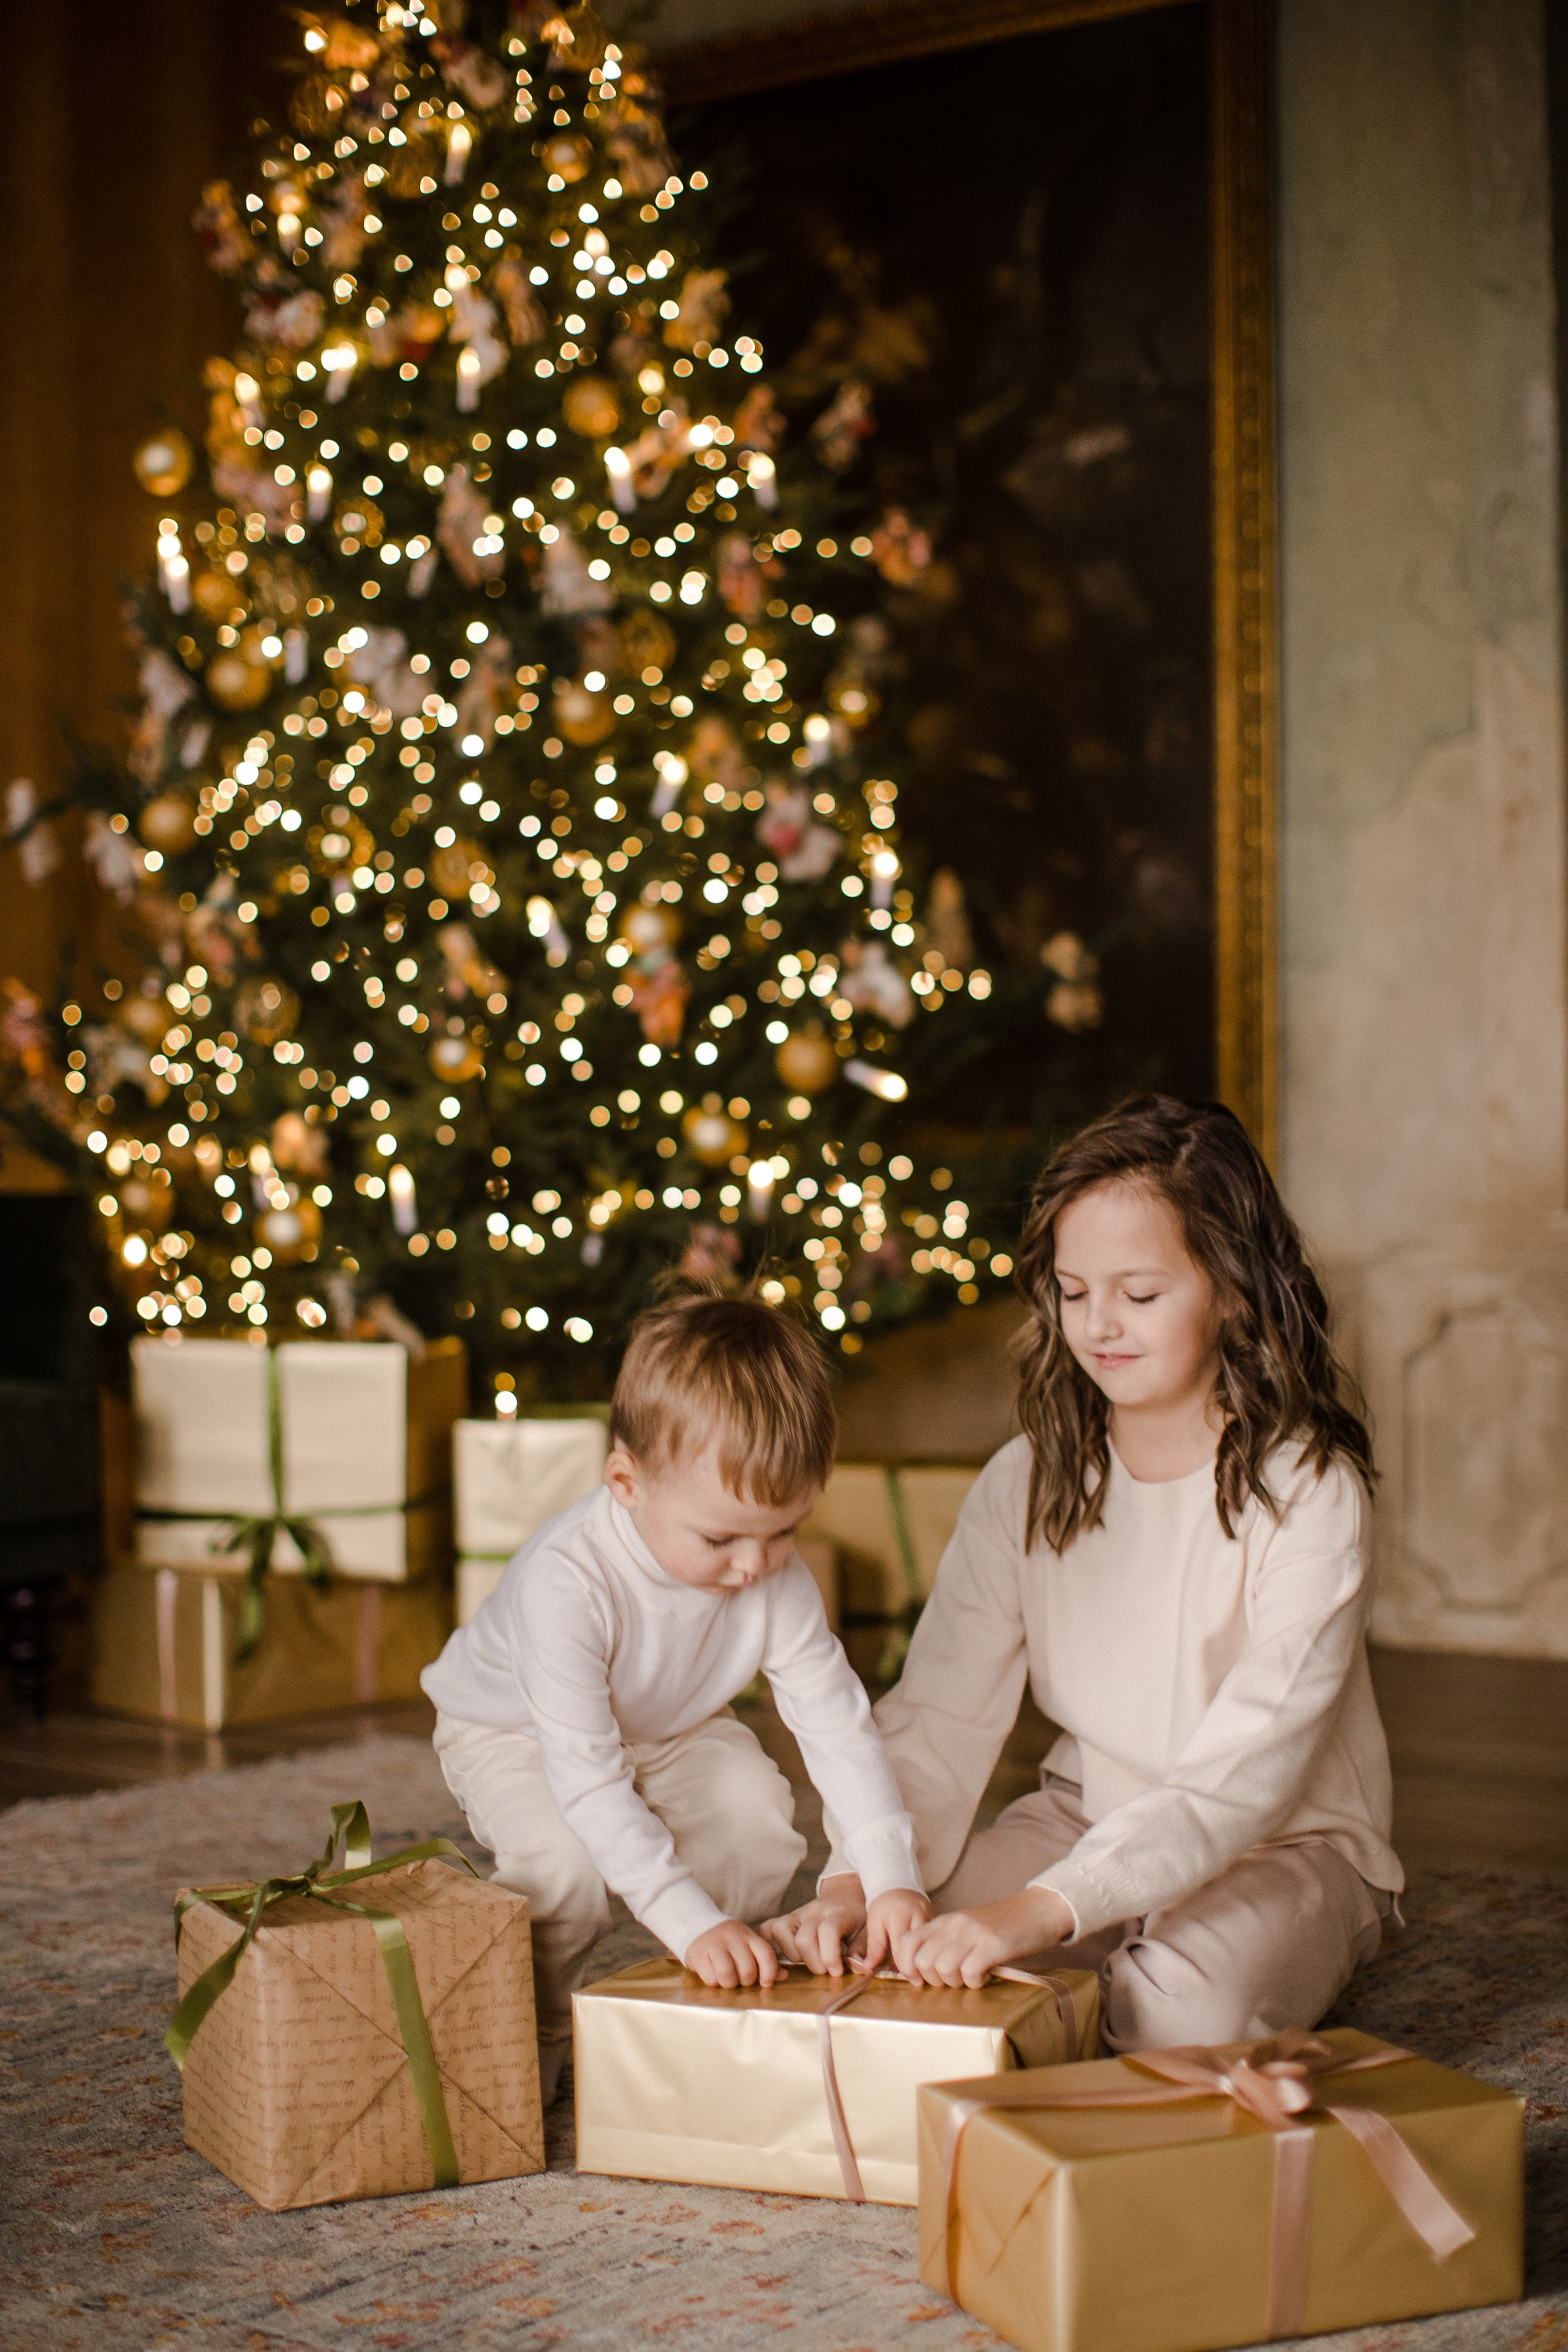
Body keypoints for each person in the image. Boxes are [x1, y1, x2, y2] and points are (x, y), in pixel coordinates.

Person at [767, 1095, 1401, 2051]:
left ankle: (1153, 1976)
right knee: (893, 1945)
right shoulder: (1024, 1479)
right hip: (1085, 1815)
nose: (1100, 1325)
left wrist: (1036, 1915)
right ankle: (1083, 1972)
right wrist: (862, 1882)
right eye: (1072, 1291)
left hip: (1285, 1842)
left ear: (1233, 1291)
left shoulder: (1313, 1492)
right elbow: (938, 1714)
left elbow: (1244, 1774)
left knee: (1179, 2016)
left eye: (1140, 1296)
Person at [423, 1291, 930, 2098]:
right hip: (516, 1730)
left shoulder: (769, 1571)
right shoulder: (567, 1582)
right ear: (627, 1482)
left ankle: (701, 1985)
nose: (754, 1566)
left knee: (754, 1814)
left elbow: (836, 1723)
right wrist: (682, 1913)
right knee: (563, 1867)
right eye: (721, 1537)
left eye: (784, 1532)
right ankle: (533, 2027)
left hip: (669, 1722)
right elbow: (587, 1776)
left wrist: (889, 1873)